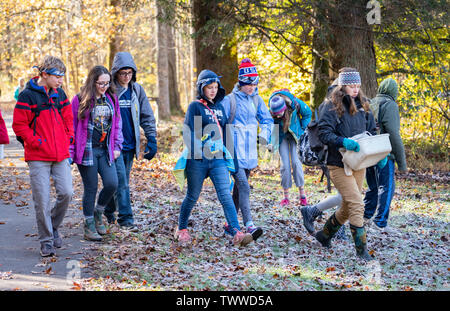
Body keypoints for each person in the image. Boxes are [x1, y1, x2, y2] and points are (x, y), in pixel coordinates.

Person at [174, 69, 253, 247]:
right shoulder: (195, 106)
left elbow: (226, 133)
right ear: (202, 88)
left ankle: (236, 232)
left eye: (216, 87)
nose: (213, 90)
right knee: (192, 196)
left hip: (218, 159)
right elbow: (188, 133)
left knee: (225, 194)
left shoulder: (219, 108)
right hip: (198, 160)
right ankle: (182, 228)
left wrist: (233, 160)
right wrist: (200, 148)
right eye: (209, 87)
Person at [314, 67, 381, 261]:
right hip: (337, 163)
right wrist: (343, 141)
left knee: (347, 206)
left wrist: (379, 154)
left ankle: (324, 235)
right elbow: (324, 133)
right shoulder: (330, 105)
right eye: (352, 85)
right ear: (342, 85)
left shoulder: (364, 104)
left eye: (358, 85)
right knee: (357, 204)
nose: (355, 89)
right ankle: (362, 251)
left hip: (359, 163)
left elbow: (371, 131)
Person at [12, 56, 74, 257]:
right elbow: (19, 126)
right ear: (44, 74)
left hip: (60, 153)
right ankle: (46, 240)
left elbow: (68, 117)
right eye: (57, 76)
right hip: (38, 156)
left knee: (67, 193)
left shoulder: (60, 94)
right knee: (42, 200)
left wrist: (69, 137)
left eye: (63, 77)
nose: (60, 80)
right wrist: (36, 141)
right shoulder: (27, 96)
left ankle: (54, 226)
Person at [221, 58, 273, 241]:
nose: (251, 87)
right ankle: (249, 224)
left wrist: (265, 136)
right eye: (248, 84)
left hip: (250, 149)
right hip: (233, 150)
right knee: (243, 185)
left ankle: (230, 224)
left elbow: (267, 120)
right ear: (240, 83)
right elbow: (219, 121)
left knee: (238, 189)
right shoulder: (230, 100)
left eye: (254, 83)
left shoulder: (257, 100)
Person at [70, 65, 123, 242]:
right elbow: (71, 127)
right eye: (101, 83)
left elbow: (117, 124)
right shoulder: (79, 100)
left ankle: (98, 212)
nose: (104, 87)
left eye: (107, 83)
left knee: (112, 183)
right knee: (91, 187)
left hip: (105, 150)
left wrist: (117, 146)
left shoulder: (111, 99)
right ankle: (88, 224)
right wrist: (71, 152)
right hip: (87, 150)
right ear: (93, 82)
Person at [104, 52, 157, 228]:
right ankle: (126, 219)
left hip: (130, 145)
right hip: (113, 145)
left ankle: (107, 209)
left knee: (120, 182)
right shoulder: (109, 90)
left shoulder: (137, 90)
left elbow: (146, 115)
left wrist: (151, 138)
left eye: (129, 73)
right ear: (115, 73)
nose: (126, 77)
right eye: (122, 73)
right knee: (122, 183)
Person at [363, 77, 407, 230]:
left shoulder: (371, 102)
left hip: (369, 150)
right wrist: (402, 162)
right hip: (384, 153)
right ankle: (380, 222)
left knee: (373, 186)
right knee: (387, 187)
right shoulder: (391, 105)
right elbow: (394, 134)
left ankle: (366, 215)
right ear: (394, 92)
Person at [268, 89, 312, 207]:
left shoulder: (294, 103)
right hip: (282, 137)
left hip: (295, 135)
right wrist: (271, 143)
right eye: (275, 114)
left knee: (296, 163)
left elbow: (308, 114)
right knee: (285, 166)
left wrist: (303, 128)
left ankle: (302, 195)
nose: (277, 116)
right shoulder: (272, 111)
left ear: (285, 109)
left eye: (279, 114)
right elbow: (272, 129)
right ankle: (286, 197)